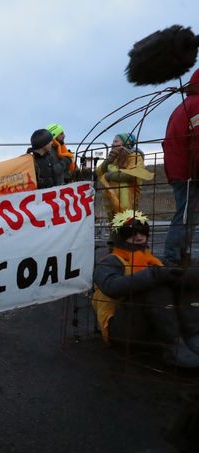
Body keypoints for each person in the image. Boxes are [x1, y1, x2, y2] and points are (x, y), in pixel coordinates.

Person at [91, 210, 199, 369]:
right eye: (132, 233)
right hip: (119, 329)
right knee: (155, 288)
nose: (139, 237)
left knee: (183, 282)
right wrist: (155, 275)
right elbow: (112, 287)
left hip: (146, 326)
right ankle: (172, 346)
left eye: (143, 232)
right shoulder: (110, 261)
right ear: (120, 237)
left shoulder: (152, 260)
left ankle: (192, 336)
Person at [162, 68, 199, 266]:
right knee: (185, 215)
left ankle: (178, 255)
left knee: (187, 214)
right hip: (188, 171)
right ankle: (173, 258)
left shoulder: (185, 105)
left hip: (179, 168)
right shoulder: (197, 104)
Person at [96, 132, 153, 221]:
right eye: (113, 142)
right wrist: (108, 160)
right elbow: (99, 171)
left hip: (128, 201)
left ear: (126, 143)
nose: (112, 144)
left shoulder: (135, 157)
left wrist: (108, 175)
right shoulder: (113, 157)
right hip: (111, 199)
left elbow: (130, 174)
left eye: (116, 141)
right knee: (114, 227)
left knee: (126, 225)